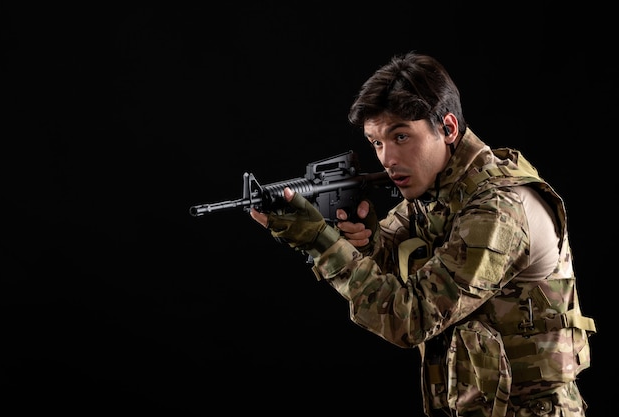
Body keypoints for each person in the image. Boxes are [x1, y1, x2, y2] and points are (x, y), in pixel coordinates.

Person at [250, 51, 596, 417]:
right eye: (377, 142)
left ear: (447, 128)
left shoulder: (497, 208)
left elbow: (409, 317)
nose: (386, 158)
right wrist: (369, 242)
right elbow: (390, 269)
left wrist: (321, 242)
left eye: (401, 136)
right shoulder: (436, 191)